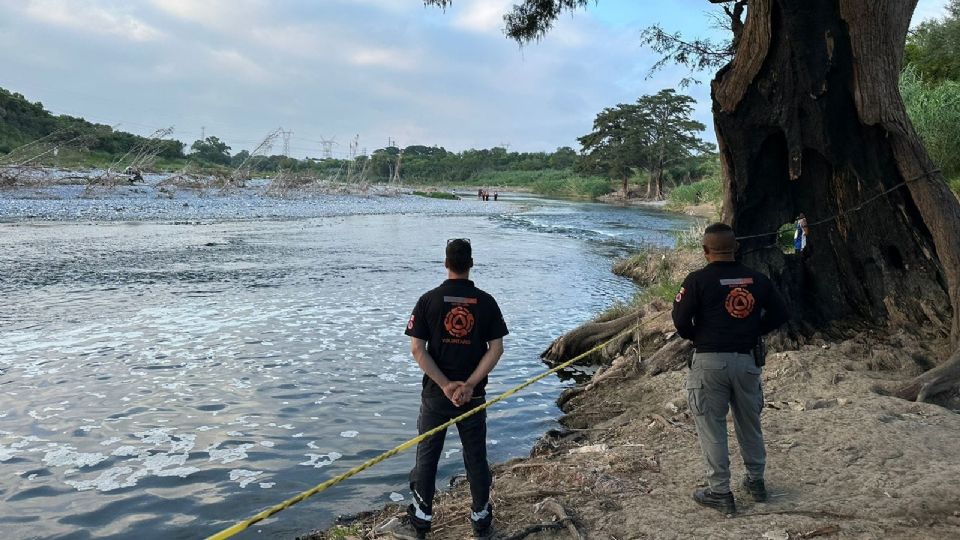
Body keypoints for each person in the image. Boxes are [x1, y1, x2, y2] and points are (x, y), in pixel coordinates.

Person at [394, 238, 508, 539]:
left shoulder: (428, 300)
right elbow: (496, 349)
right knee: (475, 458)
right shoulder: (486, 302)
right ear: (470, 264)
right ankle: (481, 522)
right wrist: (469, 385)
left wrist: (446, 385)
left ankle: (421, 522)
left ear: (446, 264)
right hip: (474, 396)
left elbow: (418, 350)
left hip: (436, 395)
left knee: (427, 458)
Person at [672, 223, 790, 515]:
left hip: (709, 363)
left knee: (712, 427)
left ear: (705, 250)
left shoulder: (697, 280)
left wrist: (698, 336)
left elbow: (680, 320)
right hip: (747, 361)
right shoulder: (758, 279)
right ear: (736, 248)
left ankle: (720, 492)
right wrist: (753, 331)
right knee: (750, 423)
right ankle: (756, 482)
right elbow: (781, 313)